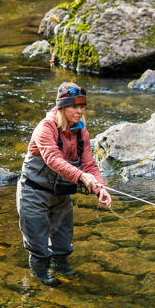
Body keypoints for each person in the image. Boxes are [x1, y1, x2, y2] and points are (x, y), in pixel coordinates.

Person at [16, 82, 112, 286]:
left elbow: (89, 163)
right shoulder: (46, 127)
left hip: (61, 194)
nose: (79, 111)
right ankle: (40, 274)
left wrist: (99, 189)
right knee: (38, 245)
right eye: (74, 107)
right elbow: (53, 160)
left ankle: (62, 268)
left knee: (63, 243)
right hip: (34, 192)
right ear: (61, 107)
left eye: (82, 106)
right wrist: (81, 177)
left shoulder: (81, 131)